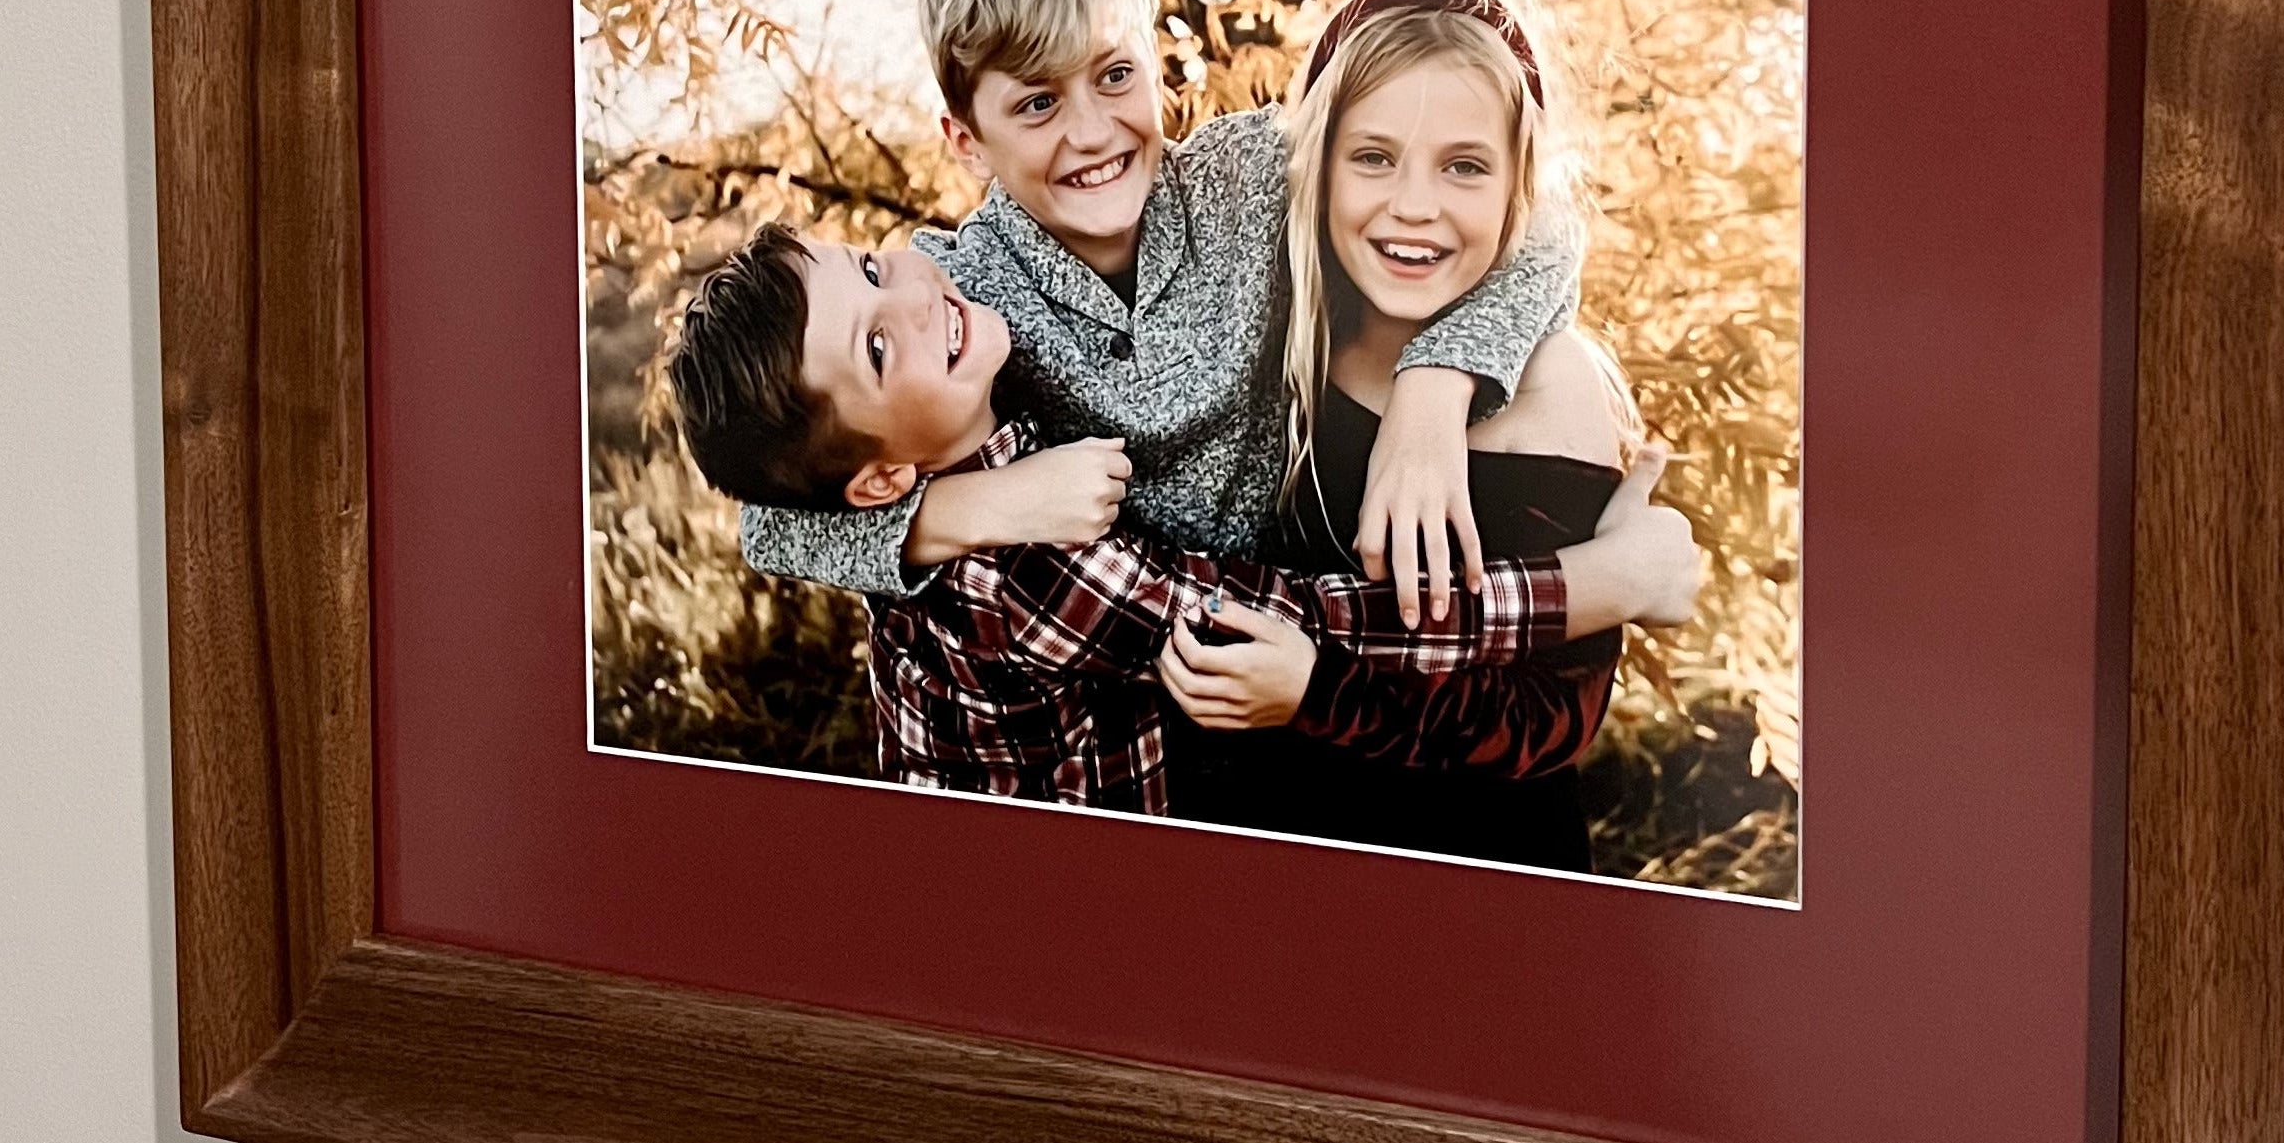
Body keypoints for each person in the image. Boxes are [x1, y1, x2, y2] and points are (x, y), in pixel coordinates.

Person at [738, 0, 1580, 627]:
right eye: (1036, 102)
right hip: (1124, 655)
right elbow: (769, 524)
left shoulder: (1253, 174)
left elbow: (1538, 224)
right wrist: (974, 507)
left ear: (1158, 66)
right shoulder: (957, 297)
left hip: (1299, 614)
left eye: (1113, 76)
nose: (1093, 132)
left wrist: (1430, 396)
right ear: (966, 141)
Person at [664, 221, 1701, 814]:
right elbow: (1322, 621)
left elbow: (1545, 216)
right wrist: (1611, 584)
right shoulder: (1028, 576)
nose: (911, 303)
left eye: (877, 270)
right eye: (876, 350)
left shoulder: (969, 319)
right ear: (881, 483)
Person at [1157, 0, 1639, 872]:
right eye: (1373, 157)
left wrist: (1317, 693)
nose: (1413, 205)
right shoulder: (1278, 335)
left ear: (1515, 188)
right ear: (1320, 164)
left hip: (1471, 879)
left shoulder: (1552, 383)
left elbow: (1550, 718)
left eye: (1463, 166)